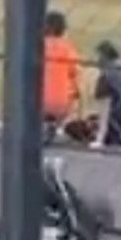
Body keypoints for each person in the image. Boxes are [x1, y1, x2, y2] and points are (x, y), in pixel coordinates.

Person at [42, 10, 81, 145]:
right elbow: (75, 74)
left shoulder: (37, 45)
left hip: (38, 101)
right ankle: (53, 122)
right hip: (62, 104)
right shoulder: (68, 49)